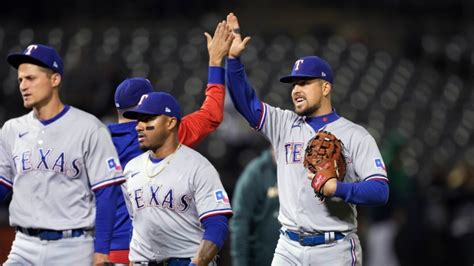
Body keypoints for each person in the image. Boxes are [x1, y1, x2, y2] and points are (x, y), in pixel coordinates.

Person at [224, 13, 389, 265]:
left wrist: (338, 188)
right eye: (293, 85)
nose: (296, 90)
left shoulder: (355, 135)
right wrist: (234, 60)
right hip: (288, 246)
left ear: (326, 87)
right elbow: (246, 103)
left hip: (334, 247)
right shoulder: (284, 124)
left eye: (305, 82)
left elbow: (380, 191)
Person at [106, 20, 233, 264]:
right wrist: (215, 63)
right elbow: (213, 113)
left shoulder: (96, 143)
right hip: (148, 250)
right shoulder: (164, 135)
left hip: (108, 251)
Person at [0, 44, 124, 265]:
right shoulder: (11, 129)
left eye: (31, 78)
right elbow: (2, 186)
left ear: (55, 79)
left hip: (73, 247)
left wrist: (102, 250)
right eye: (20, 80)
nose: (23, 86)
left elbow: (107, 192)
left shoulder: (89, 128)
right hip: (24, 245)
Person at [121, 91, 233, 265]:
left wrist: (197, 263)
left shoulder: (198, 167)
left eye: (148, 119)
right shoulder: (131, 169)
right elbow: (135, 223)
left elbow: (217, 224)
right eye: (138, 120)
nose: (139, 126)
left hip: (185, 260)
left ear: (171, 122)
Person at [230, 148, 280, 266]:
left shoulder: (299, 172)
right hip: (262, 260)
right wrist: (240, 262)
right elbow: (240, 221)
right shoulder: (255, 173)